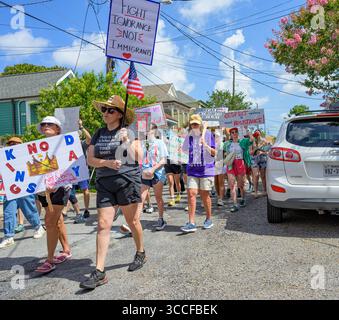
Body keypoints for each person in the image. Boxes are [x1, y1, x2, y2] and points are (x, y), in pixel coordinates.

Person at [80, 95, 145, 290]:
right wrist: (106, 163)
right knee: (103, 224)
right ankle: (99, 271)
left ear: (119, 114)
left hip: (127, 181)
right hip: (104, 183)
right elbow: (90, 159)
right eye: (104, 110)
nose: (106, 113)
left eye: (110, 110)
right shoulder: (99, 133)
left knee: (132, 221)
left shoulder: (129, 132)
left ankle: (140, 251)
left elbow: (138, 158)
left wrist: (126, 142)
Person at [35, 116, 73, 273]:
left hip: (61, 187)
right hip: (43, 189)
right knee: (57, 220)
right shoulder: (37, 147)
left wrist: (55, 184)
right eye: (43, 124)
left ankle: (49, 260)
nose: (45, 126)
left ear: (57, 128)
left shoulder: (64, 144)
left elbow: (70, 165)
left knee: (50, 220)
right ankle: (66, 250)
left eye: (49, 124)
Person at [0, 137, 46, 249]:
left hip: (24, 188)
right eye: (11, 144)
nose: (13, 146)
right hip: (10, 189)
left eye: (16, 144)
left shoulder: (26, 157)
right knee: (8, 212)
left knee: (29, 209)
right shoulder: (4, 157)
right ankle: (8, 236)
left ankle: (38, 227)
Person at [181, 114, 216, 233]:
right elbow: (184, 149)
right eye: (192, 124)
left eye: (196, 123)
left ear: (200, 124)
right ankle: (191, 222)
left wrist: (205, 145)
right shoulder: (189, 136)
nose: (194, 125)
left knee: (204, 195)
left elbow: (214, 153)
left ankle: (208, 219)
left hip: (206, 170)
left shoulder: (208, 135)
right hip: (192, 169)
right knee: (191, 193)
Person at [140, 123, 168, 231]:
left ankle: (161, 219)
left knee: (158, 197)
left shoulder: (160, 143)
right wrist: (143, 169)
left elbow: (163, 160)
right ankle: (135, 222)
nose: (146, 131)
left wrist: (153, 169)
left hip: (157, 173)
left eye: (149, 129)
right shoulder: (142, 143)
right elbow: (139, 159)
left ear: (154, 131)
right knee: (141, 198)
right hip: (145, 173)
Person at [224, 127, 254, 212]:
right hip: (231, 165)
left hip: (240, 163)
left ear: (238, 133)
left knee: (241, 185)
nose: (234, 134)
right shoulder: (227, 144)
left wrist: (247, 129)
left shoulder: (243, 141)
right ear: (230, 135)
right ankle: (234, 204)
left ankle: (243, 198)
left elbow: (252, 140)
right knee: (232, 185)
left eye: (236, 132)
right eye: (232, 132)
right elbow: (223, 151)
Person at [214, 129, 226, 206]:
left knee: (221, 182)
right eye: (215, 136)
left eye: (217, 136)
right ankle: (218, 196)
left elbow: (225, 153)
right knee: (216, 182)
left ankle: (221, 199)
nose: (216, 137)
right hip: (213, 164)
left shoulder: (223, 144)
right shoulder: (212, 143)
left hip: (221, 163)